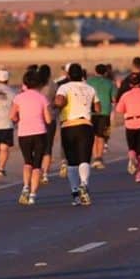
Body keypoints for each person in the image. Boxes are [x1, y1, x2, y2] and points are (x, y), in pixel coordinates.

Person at [53, 62, 99, 206]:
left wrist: (54, 105)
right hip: (85, 125)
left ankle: (75, 194)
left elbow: (59, 101)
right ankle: (84, 184)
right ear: (82, 74)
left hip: (68, 126)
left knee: (72, 162)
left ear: (68, 75)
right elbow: (97, 108)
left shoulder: (64, 87)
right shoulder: (90, 88)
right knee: (84, 158)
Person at [11, 66, 53, 205]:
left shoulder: (18, 98)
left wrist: (19, 119)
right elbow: (48, 120)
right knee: (37, 165)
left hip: (24, 133)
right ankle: (33, 195)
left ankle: (25, 187)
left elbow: (12, 116)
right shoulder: (42, 98)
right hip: (40, 133)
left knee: (27, 162)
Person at [88, 64, 116, 169]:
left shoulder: (89, 82)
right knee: (102, 136)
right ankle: (99, 158)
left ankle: (95, 157)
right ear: (105, 72)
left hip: (91, 112)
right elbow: (114, 99)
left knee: (93, 136)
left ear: (95, 71)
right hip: (105, 112)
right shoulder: (109, 83)